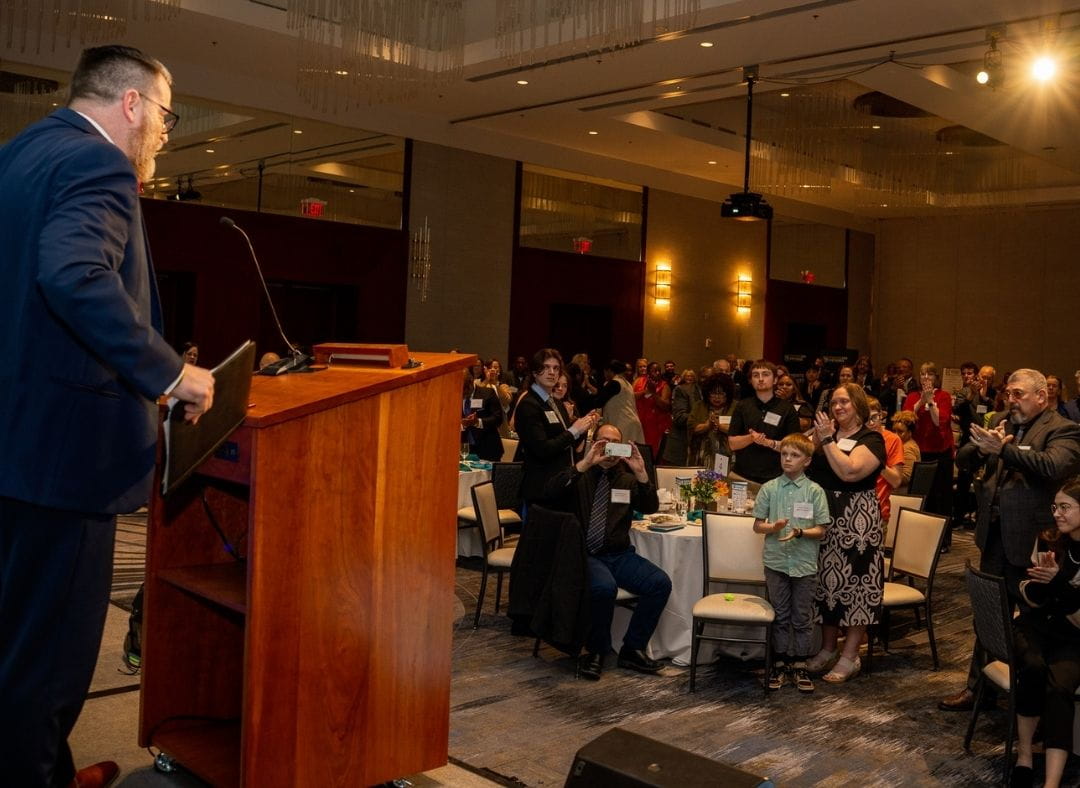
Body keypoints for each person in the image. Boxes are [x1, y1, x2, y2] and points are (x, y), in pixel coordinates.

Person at [0, 45, 216, 788]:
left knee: (14, 642)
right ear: (131, 104)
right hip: (68, 465)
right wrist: (171, 370)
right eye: (163, 115)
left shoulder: (21, 153)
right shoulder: (98, 167)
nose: (164, 133)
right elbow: (73, 274)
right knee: (50, 658)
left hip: (15, 447)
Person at [939, 369, 1080, 712]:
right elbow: (963, 458)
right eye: (1009, 393)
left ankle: (1038, 695)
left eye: (1019, 394)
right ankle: (979, 689)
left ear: (1042, 396)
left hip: (1035, 541)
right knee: (990, 611)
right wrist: (978, 446)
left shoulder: (1063, 429)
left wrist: (1003, 450)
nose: (1010, 400)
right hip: (995, 534)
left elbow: (1052, 466)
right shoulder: (1000, 420)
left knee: (1035, 616)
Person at [543, 424, 671, 681]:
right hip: (586, 554)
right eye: (605, 441)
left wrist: (642, 473)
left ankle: (632, 649)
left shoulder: (625, 478)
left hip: (619, 554)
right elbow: (550, 492)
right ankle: (596, 651)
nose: (610, 449)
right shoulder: (580, 474)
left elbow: (649, 507)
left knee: (659, 583)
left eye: (616, 443)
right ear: (594, 443)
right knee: (603, 588)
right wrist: (585, 463)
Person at [805, 382, 886, 683]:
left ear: (859, 407)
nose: (838, 408)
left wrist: (826, 439)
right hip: (824, 516)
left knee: (857, 587)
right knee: (827, 585)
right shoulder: (828, 435)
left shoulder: (872, 438)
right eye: (835, 402)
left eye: (845, 403)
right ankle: (827, 649)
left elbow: (849, 471)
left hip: (856, 521)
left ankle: (850, 656)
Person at [1010, 476, 1080, 788]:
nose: (1057, 513)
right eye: (1056, 506)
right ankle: (1024, 756)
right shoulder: (1048, 538)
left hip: (1072, 636)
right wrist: (1042, 585)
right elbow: (1025, 593)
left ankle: (1052, 782)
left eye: (1066, 507)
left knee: (1061, 687)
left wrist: (1058, 583)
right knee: (1033, 667)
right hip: (1036, 626)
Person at [752, 433, 831, 692]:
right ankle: (780, 663)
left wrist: (800, 532)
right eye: (784, 454)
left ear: (807, 461)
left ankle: (799, 664)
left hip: (804, 563)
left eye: (794, 455)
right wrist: (771, 526)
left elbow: (822, 530)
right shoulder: (770, 488)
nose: (787, 459)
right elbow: (757, 526)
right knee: (781, 614)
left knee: (802, 616)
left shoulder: (814, 491)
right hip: (776, 562)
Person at [514, 349, 598, 506]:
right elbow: (542, 450)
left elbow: (567, 443)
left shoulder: (556, 403)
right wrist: (574, 430)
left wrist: (585, 425)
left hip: (560, 483)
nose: (551, 372)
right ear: (534, 372)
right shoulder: (529, 404)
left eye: (556, 368)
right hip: (541, 487)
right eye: (546, 367)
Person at [902, 362, 955, 547]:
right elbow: (905, 419)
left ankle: (943, 541)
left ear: (936, 378)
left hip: (941, 452)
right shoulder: (912, 397)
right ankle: (920, 538)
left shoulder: (944, 396)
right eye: (922, 374)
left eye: (929, 374)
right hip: (919, 452)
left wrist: (931, 401)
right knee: (922, 496)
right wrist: (920, 401)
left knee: (941, 497)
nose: (925, 378)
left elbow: (939, 420)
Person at [728, 360, 800, 483]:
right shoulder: (742, 406)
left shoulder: (787, 409)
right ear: (751, 381)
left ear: (775, 380)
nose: (760, 379)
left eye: (766, 374)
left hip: (776, 478)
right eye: (756, 375)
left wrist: (769, 443)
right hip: (742, 476)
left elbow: (794, 447)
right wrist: (751, 438)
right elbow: (732, 443)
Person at [867, 396, 904, 523]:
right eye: (866, 419)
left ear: (881, 415)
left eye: (874, 417)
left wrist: (876, 461)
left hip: (878, 513)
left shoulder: (892, 439)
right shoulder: (855, 437)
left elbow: (896, 481)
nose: (871, 423)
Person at [687, 374, 735, 468]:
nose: (717, 397)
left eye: (721, 393)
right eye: (713, 393)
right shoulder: (699, 406)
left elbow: (739, 430)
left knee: (722, 481)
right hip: (700, 453)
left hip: (726, 454)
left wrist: (721, 427)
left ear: (728, 394)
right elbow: (691, 427)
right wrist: (707, 425)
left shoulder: (735, 407)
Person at [461, 368, 504, 461]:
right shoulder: (455, 397)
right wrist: (462, 424)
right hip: (465, 450)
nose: (464, 392)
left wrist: (478, 422)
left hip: (488, 449)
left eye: (465, 388)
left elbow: (498, 418)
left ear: (472, 380)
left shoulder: (487, 393)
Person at [599, 360, 645, 445]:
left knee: (619, 453)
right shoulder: (627, 383)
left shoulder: (615, 383)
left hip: (623, 424)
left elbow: (599, 401)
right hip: (631, 422)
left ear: (609, 371)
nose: (604, 375)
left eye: (605, 372)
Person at [661, 368, 701, 466]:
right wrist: (703, 420)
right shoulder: (681, 389)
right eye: (687, 376)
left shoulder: (701, 390)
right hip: (682, 444)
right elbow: (679, 417)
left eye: (691, 376)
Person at [633, 361, 672, 456]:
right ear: (648, 372)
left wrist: (654, 393)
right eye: (654, 371)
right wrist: (645, 391)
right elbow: (631, 396)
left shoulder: (664, 385)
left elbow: (665, 406)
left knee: (651, 452)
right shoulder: (639, 381)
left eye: (659, 371)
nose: (657, 373)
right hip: (639, 423)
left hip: (655, 426)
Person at [889, 410, 921, 494]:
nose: (896, 435)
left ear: (910, 432)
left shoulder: (908, 448)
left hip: (901, 492)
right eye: (894, 431)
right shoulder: (902, 444)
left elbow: (907, 477)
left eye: (900, 432)